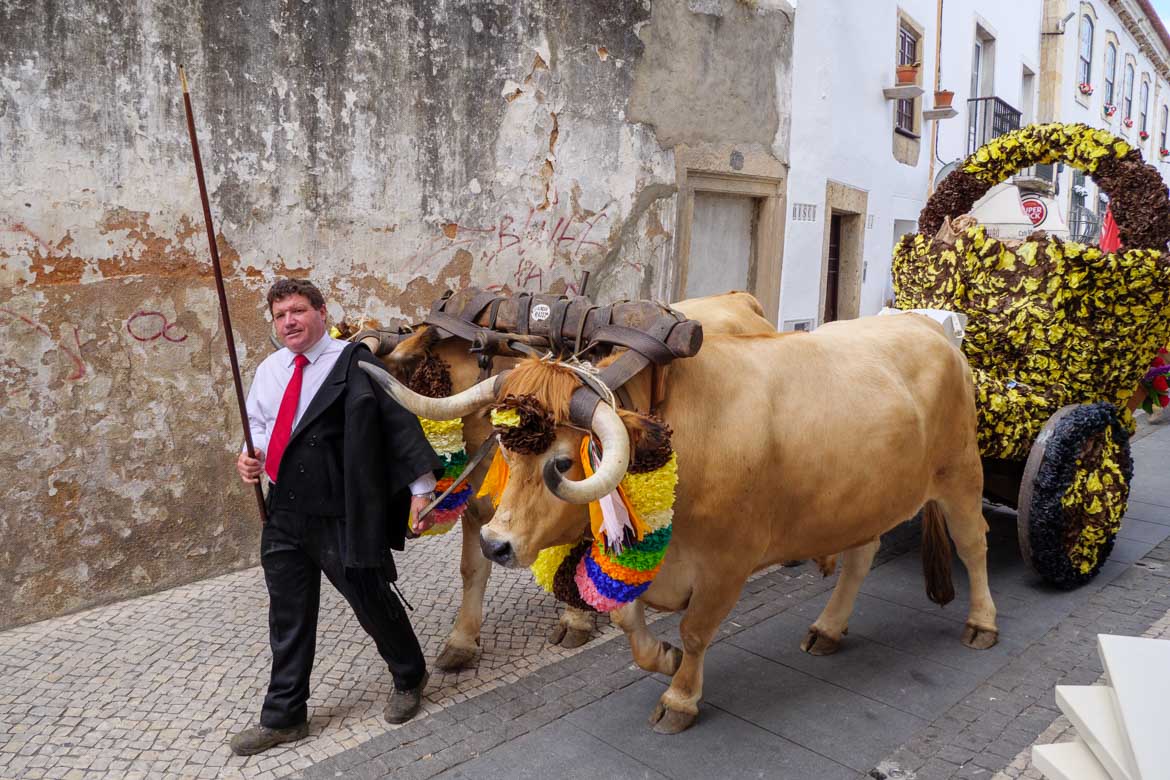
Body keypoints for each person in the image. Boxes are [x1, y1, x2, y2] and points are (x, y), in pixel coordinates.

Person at [230, 278, 441, 756]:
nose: (290, 321)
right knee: (287, 615)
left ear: (321, 312)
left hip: (342, 510)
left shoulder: (355, 363)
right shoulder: (269, 370)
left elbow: (398, 427)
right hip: (284, 512)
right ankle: (285, 716)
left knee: (370, 600)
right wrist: (250, 455)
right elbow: (259, 425)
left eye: (299, 310)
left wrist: (421, 492)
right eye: (281, 314)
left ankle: (409, 675)